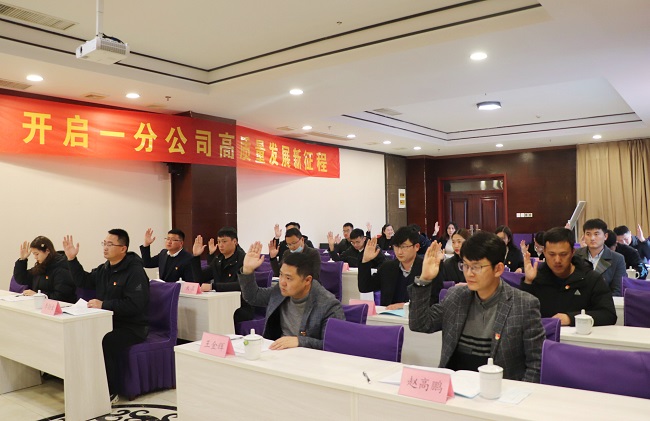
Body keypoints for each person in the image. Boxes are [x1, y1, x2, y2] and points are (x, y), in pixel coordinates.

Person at [408, 232, 545, 382]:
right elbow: (420, 324)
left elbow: (536, 364)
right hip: (456, 386)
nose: (469, 273)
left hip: (499, 389)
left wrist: (518, 393)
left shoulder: (524, 304)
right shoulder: (456, 297)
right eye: (465, 266)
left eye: (476, 267)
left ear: (498, 269)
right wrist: (425, 279)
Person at [63, 229, 149, 403]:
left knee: (105, 340)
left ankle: (110, 391)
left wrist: (104, 305)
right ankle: (87, 383)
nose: (105, 247)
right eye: (104, 243)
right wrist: (72, 259)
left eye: (110, 244)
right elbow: (84, 281)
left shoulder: (135, 271)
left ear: (123, 248)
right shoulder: (105, 269)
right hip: (107, 321)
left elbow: (136, 305)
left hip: (132, 326)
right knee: (82, 334)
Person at [238, 242, 345, 350]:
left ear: (307, 280)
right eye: (281, 275)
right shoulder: (280, 291)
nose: (282, 282)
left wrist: (300, 341)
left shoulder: (328, 305)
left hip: (309, 358)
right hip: (277, 352)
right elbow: (253, 297)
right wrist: (247, 270)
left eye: (289, 278)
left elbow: (335, 345)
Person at [520, 227, 617, 326]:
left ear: (572, 252)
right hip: (545, 334)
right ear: (544, 252)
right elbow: (521, 315)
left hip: (579, 334)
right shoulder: (537, 277)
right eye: (552, 254)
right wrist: (528, 282)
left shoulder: (591, 278)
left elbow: (608, 315)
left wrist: (570, 318)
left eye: (563, 254)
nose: (557, 260)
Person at [359, 226, 442, 309]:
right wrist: (365, 261)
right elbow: (365, 287)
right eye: (396, 246)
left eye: (404, 247)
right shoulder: (387, 267)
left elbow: (434, 301)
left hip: (416, 315)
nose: (399, 252)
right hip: (388, 315)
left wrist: (405, 306)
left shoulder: (428, 268)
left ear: (416, 247)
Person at [191, 227, 253, 323]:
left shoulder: (244, 260)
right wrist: (196, 257)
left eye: (224, 241)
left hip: (240, 306)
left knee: (214, 316)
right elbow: (199, 279)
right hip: (220, 302)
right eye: (219, 241)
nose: (220, 245)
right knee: (199, 313)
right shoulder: (218, 259)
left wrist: (213, 286)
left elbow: (241, 285)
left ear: (235, 242)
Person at [13, 236, 77, 303]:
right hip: (40, 305)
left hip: (61, 307)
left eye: (37, 254)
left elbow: (60, 297)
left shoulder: (61, 268)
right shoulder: (40, 266)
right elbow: (22, 279)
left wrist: (37, 295)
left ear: (47, 251)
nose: (35, 257)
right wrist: (22, 260)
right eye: (34, 254)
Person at [574, 219, 625, 296]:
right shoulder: (576, 255)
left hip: (605, 301)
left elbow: (618, 290)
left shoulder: (617, 259)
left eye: (596, 234)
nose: (592, 238)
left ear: (605, 236)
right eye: (588, 234)